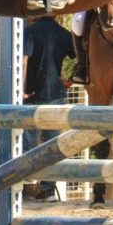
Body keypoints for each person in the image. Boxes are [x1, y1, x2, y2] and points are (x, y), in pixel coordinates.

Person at [22, 16, 75, 201]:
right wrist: (70, 80)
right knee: (51, 145)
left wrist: (22, 88)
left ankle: (27, 187)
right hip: (57, 95)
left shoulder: (29, 31)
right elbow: (79, 59)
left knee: (28, 143)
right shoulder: (64, 34)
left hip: (32, 94)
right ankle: (48, 189)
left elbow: (25, 60)